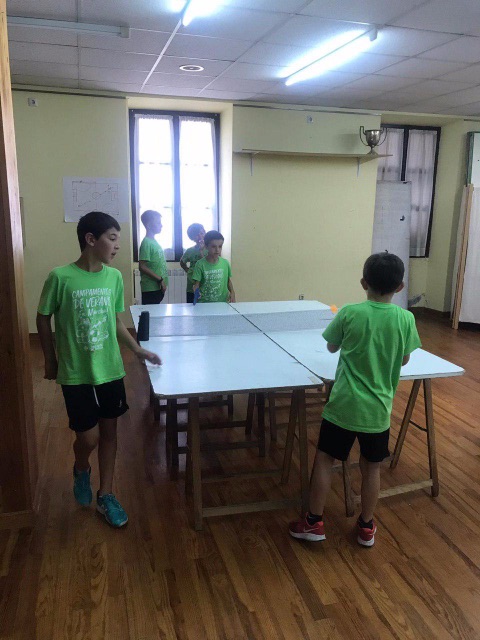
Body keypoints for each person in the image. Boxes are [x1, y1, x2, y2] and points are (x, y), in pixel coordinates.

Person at [36, 211, 161, 528]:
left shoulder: (114, 277)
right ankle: (81, 467)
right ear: (91, 239)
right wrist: (50, 358)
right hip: (75, 372)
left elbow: (115, 320)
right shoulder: (60, 277)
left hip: (110, 369)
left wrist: (136, 348)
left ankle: (106, 494)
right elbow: (43, 316)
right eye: (112, 238)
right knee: (88, 438)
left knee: (109, 433)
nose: (118, 245)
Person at [289, 252, 421, 547]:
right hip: (378, 410)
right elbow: (404, 359)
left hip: (344, 406)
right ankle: (366, 526)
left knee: (325, 459)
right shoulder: (406, 318)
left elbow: (331, 346)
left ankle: (313, 522)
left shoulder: (349, 312)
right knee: (372, 467)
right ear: (400, 287)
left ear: (364, 283)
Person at [192, 230, 236, 303]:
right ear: (206, 246)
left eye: (220, 246)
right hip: (204, 303)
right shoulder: (200, 264)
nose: (217, 250)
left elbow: (228, 281)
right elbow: (196, 284)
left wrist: (232, 293)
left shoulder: (225, 263)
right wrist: (196, 292)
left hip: (222, 302)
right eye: (213, 246)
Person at [138, 209, 168, 305]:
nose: (161, 225)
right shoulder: (146, 242)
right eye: (158, 223)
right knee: (151, 313)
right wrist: (160, 279)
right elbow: (142, 266)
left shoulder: (153, 241)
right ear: (149, 225)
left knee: (156, 311)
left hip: (157, 287)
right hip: (150, 288)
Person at [179, 223, 206, 303]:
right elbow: (182, 262)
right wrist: (188, 271)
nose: (200, 236)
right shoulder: (190, 250)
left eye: (202, 233)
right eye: (197, 235)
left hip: (205, 285)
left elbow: (206, 264)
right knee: (191, 306)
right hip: (192, 286)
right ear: (192, 237)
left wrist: (201, 251)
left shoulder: (210, 249)